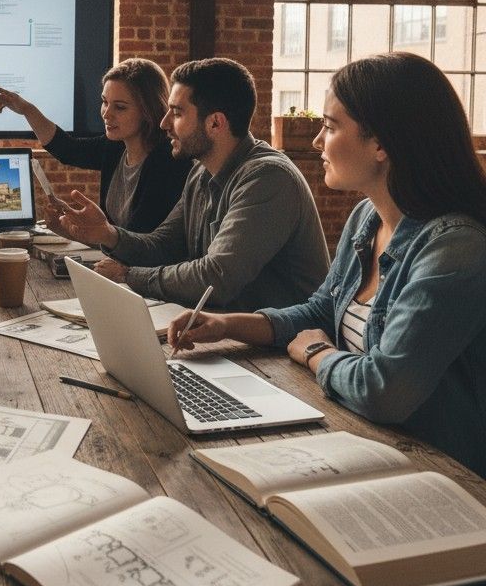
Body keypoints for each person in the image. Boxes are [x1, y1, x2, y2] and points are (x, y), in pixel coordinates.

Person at [167, 53, 486, 477]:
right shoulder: (366, 219)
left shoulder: (454, 248)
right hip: (361, 440)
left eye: (331, 127)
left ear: (381, 144)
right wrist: (226, 326)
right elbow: (319, 311)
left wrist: (317, 352)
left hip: (438, 472)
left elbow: (385, 390)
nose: (317, 141)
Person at [57, 57, 329, 311]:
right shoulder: (201, 172)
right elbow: (163, 245)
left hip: (282, 350)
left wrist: (129, 275)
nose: (163, 123)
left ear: (214, 123)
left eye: (176, 113)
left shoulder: (268, 178)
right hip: (223, 330)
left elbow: (215, 278)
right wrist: (107, 234)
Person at [0, 59, 190, 233]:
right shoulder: (115, 146)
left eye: (119, 107)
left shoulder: (167, 161)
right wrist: (27, 110)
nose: (106, 113)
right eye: (104, 102)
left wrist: (84, 229)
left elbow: (140, 239)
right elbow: (67, 150)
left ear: (148, 109)